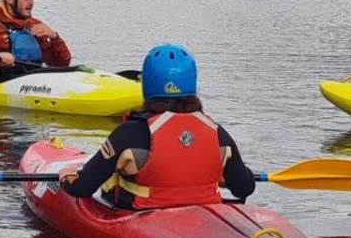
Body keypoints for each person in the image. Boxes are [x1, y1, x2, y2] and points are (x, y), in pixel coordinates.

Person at [59, 45, 259, 210]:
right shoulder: (217, 132)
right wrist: (222, 177)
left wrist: (65, 176)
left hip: (144, 218)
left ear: (147, 84)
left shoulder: (129, 134)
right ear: (192, 83)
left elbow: (82, 187)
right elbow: (244, 188)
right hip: (204, 216)